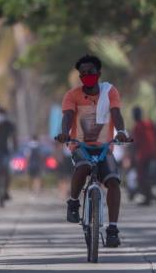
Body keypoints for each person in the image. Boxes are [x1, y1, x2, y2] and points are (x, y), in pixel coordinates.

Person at [55, 54, 131, 247]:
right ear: (79, 76)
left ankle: (112, 229)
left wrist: (121, 132)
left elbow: (116, 114)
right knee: (83, 166)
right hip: (80, 146)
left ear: (99, 73)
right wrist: (64, 133)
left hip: (104, 147)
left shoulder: (110, 92)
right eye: (83, 73)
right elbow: (67, 117)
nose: (87, 75)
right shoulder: (72, 95)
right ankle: (73, 202)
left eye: (91, 72)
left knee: (113, 181)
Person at [131, 106, 156, 205]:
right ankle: (150, 196)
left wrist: (133, 157)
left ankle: (148, 197)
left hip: (143, 155)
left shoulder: (137, 126)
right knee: (148, 176)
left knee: (143, 177)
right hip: (153, 153)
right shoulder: (149, 123)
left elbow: (135, 144)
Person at [0, 108, 18, 201]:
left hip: (5, 151)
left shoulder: (9, 125)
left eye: (2, 114)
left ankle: (6, 190)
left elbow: (13, 137)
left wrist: (15, 148)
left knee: (7, 171)